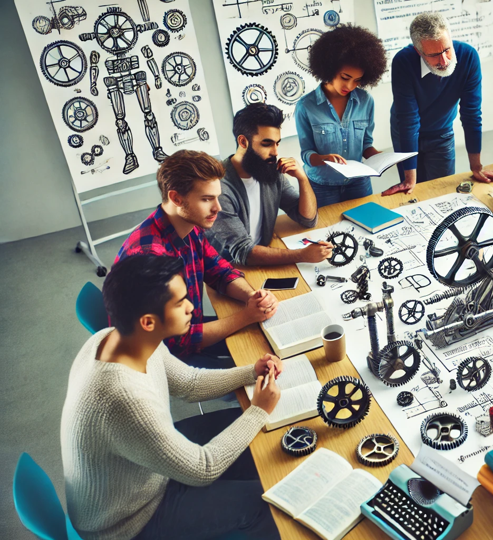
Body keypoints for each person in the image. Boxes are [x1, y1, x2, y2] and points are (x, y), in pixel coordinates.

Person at [62, 254, 284, 540]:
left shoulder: (120, 337)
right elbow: (203, 468)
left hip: (143, 473)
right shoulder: (123, 400)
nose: (192, 307)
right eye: (180, 303)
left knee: (260, 445)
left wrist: (249, 372)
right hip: (131, 522)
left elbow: (189, 383)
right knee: (265, 501)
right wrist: (258, 411)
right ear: (148, 321)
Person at [116, 150, 279, 365]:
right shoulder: (150, 260)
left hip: (189, 326)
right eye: (206, 199)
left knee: (268, 343)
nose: (217, 208)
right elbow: (179, 342)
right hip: (164, 359)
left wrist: (251, 297)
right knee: (264, 367)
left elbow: (218, 270)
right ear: (176, 198)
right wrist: (247, 316)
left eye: (217, 197)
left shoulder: (189, 224)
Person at [209, 103, 330, 266]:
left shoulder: (268, 170)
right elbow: (244, 252)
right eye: (267, 144)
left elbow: (308, 219)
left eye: (277, 143)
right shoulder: (219, 188)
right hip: (232, 267)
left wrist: (302, 179)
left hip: (264, 253)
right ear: (243, 141)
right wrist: (301, 255)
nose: (275, 152)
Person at [384, 12, 486, 195]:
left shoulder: (469, 57)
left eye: (447, 49)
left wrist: (476, 167)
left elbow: (472, 114)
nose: (444, 61)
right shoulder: (403, 61)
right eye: (434, 55)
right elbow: (408, 120)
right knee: (413, 190)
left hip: (442, 132)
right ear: (419, 51)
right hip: (405, 133)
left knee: (442, 191)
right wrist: (409, 178)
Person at [295, 24, 387, 206]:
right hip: (322, 186)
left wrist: (378, 157)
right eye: (345, 77)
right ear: (329, 68)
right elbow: (306, 153)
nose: (350, 86)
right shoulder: (306, 106)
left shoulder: (365, 101)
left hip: (359, 184)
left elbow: (366, 144)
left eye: (357, 80)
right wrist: (324, 159)